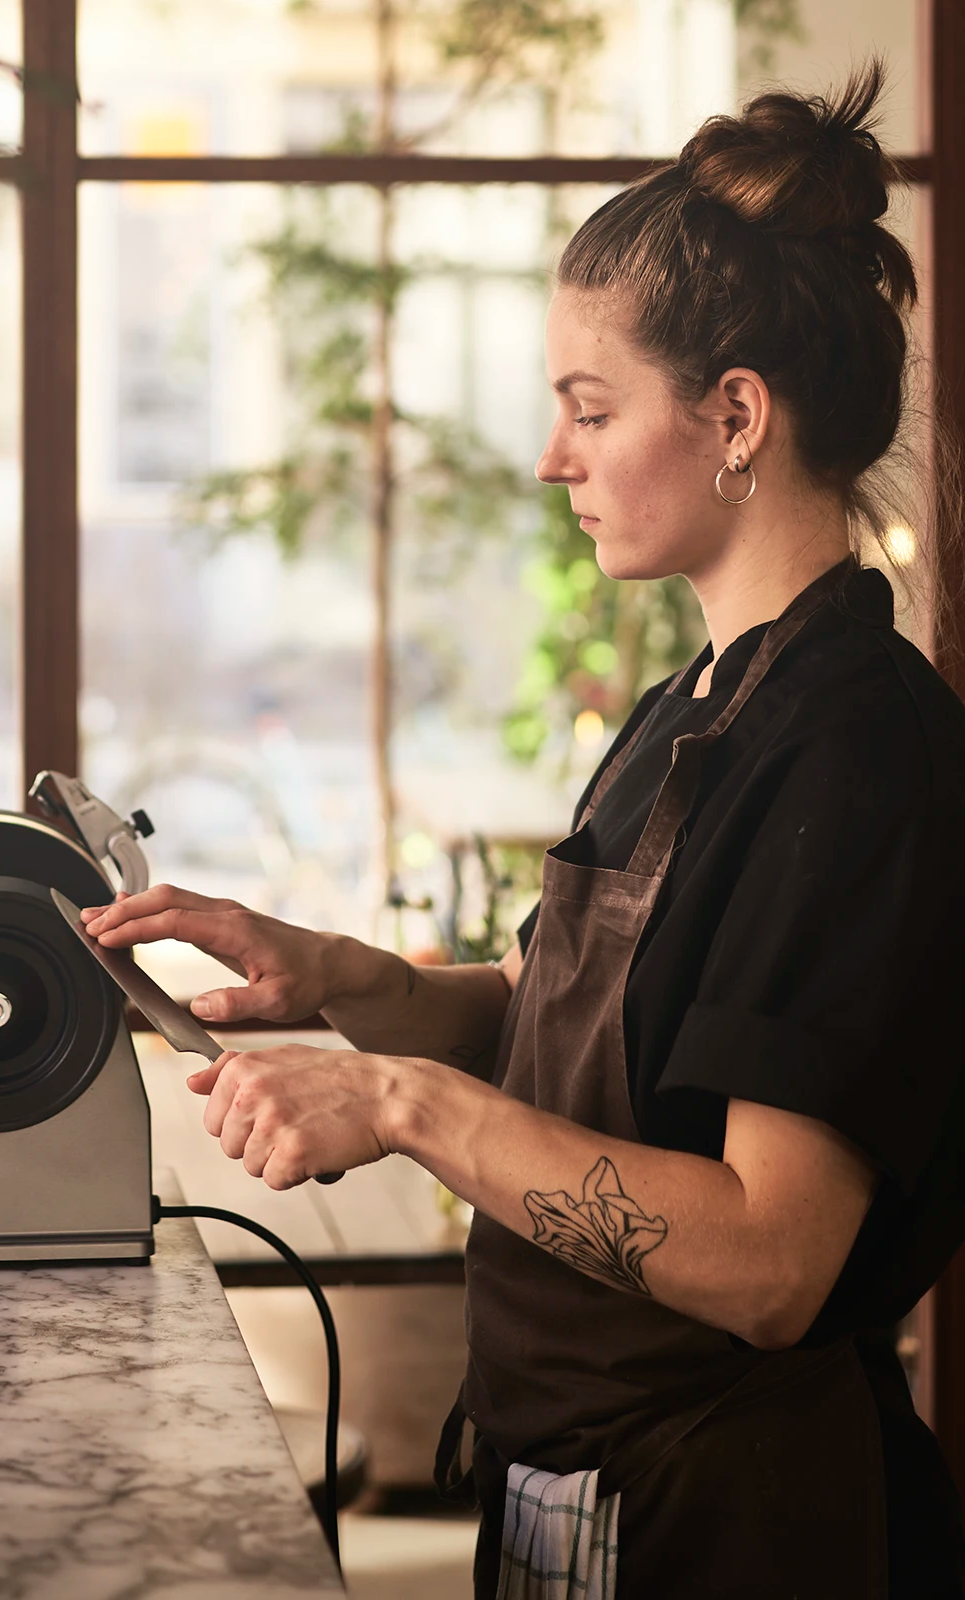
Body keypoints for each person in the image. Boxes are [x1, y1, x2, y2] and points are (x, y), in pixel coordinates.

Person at [82, 64, 965, 1599]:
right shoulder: (698, 702)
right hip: (578, 1491)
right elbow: (565, 1032)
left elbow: (770, 1259)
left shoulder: (858, 752)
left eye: (589, 407)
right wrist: (337, 977)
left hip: (745, 1521)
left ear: (736, 416)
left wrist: (408, 1108)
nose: (554, 459)